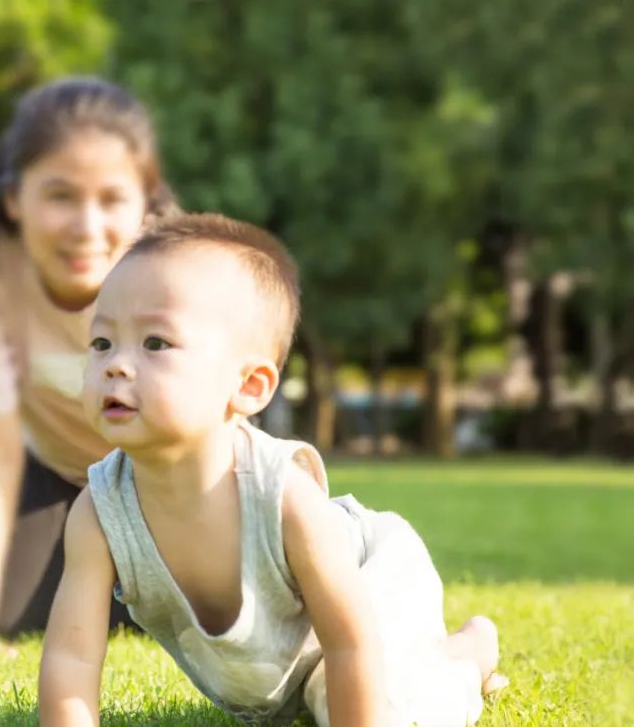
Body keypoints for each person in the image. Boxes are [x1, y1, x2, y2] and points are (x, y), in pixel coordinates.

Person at [38, 213, 507, 726]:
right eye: (102, 343)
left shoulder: (283, 497)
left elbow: (351, 642)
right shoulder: (100, 513)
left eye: (155, 343)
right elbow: (72, 656)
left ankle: (468, 654)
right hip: (282, 666)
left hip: (375, 588)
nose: (115, 365)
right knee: (307, 703)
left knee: (379, 709)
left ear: (248, 387)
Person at [0, 76, 175, 654]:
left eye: (111, 199)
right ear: (15, 200)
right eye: (61, 196)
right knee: (9, 613)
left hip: (167, 471)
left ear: (145, 201)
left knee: (184, 604)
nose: (86, 227)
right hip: (59, 474)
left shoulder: (174, 265)